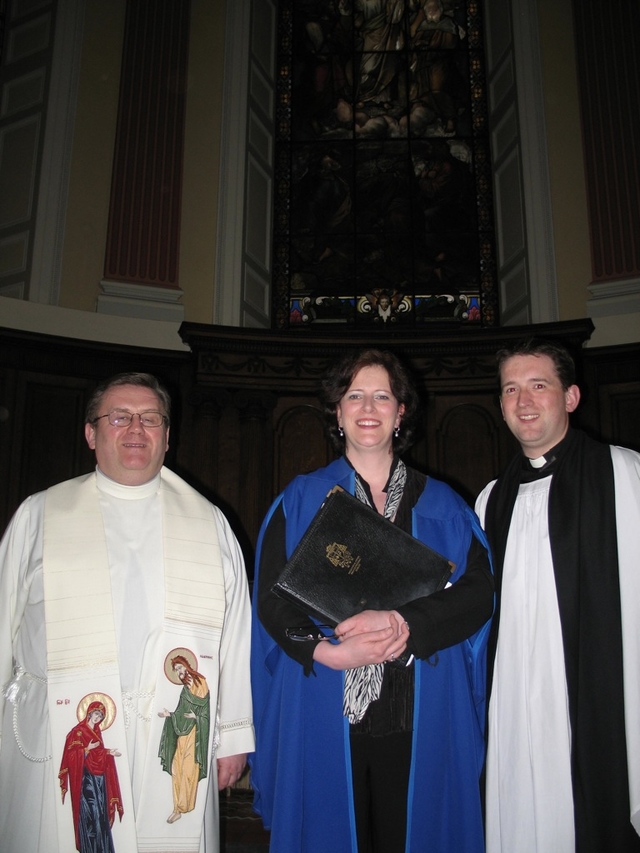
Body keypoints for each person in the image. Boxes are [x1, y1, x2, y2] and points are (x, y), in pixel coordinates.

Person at [250, 348, 494, 852]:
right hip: (325, 703)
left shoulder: (444, 505)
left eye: (382, 395)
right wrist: (325, 651)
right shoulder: (301, 499)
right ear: (337, 412)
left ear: (401, 411)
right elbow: (272, 599)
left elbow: (478, 595)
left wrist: (405, 622)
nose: (368, 406)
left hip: (421, 705)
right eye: (354, 394)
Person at [0, 372, 254, 853]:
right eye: (120, 417)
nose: (136, 429)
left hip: (174, 733)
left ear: (166, 437)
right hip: (59, 733)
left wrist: (233, 735)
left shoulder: (208, 523)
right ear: (92, 434)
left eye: (150, 419)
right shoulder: (40, 515)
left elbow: (236, 636)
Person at [475, 338, 640, 853]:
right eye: (510, 389)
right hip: (513, 693)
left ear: (570, 397)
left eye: (538, 385)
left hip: (599, 688)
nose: (523, 401)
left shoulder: (625, 474)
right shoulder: (488, 499)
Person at [59, 697, 123, 853]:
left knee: (100, 813)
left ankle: (102, 848)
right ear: (89, 713)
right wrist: (86, 749)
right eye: (95, 714)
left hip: (98, 780)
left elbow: (98, 754)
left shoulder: (97, 733)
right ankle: (91, 848)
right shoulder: (77, 732)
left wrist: (108, 752)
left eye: (100, 716)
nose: (97, 718)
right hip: (85, 779)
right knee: (91, 813)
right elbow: (70, 756)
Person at [158, 654, 211, 824]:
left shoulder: (199, 682)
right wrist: (170, 715)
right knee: (177, 768)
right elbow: (181, 711)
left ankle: (182, 807)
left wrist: (197, 717)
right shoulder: (185, 688)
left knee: (189, 770)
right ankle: (177, 808)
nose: (179, 672)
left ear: (187, 665)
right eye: (176, 670)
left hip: (195, 734)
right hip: (182, 733)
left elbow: (205, 708)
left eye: (180, 667)